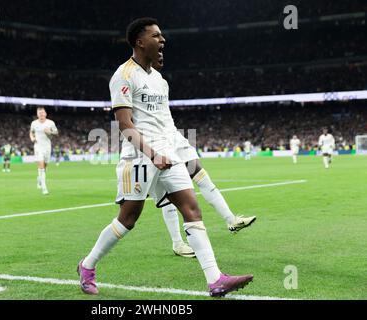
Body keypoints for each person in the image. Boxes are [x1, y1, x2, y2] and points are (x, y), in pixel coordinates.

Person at [77, 18, 253, 297]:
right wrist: (152, 153)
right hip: (138, 155)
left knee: (192, 210)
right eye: (156, 36)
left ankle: (215, 279)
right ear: (139, 41)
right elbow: (124, 125)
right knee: (128, 219)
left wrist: (177, 150)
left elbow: (165, 122)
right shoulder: (123, 76)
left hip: (167, 154)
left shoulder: (160, 81)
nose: (163, 41)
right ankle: (87, 266)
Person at [152, 59, 256, 258]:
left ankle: (231, 219)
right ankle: (177, 244)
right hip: (155, 141)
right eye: (156, 38)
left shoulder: (161, 82)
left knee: (202, 177)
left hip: (173, 136)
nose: (161, 46)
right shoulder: (131, 77)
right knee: (167, 197)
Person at [30, 107, 59, 195]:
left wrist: (50, 132)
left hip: (47, 147)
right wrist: (32, 138)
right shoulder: (34, 123)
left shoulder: (50, 123)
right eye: (39, 113)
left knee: (45, 166)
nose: (41, 114)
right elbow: (31, 132)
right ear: (37, 114)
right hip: (38, 147)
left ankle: (39, 179)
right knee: (41, 166)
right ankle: (44, 187)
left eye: (42, 113)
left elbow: (56, 133)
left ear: (45, 114)